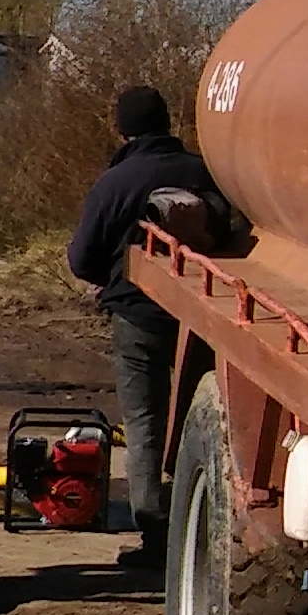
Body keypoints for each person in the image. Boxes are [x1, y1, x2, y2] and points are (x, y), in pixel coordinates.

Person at [65, 83, 228, 568]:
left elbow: (82, 259)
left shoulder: (116, 182)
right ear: (167, 122)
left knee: (144, 423)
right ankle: (206, 524)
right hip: (205, 316)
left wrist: (113, 278)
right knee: (202, 417)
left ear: (122, 129)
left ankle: (156, 536)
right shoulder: (203, 170)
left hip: (139, 315)